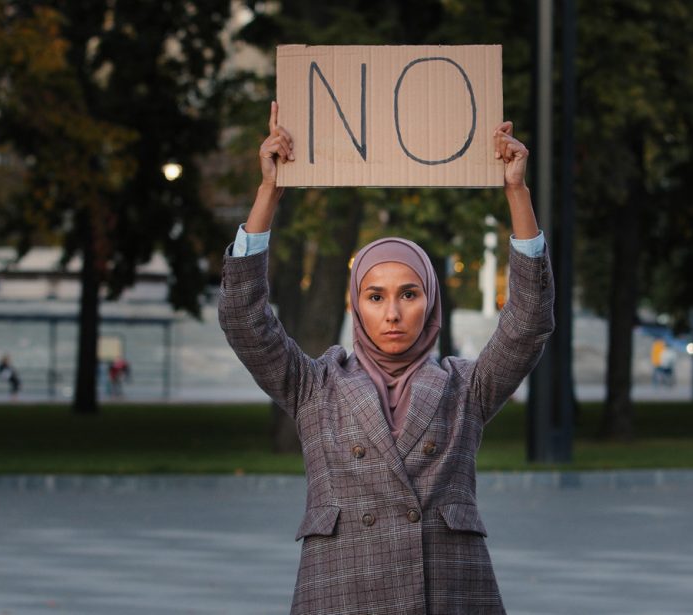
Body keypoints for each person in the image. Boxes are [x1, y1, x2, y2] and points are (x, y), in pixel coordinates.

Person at [219, 102, 554, 614]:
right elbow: (245, 321)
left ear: (431, 302)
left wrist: (517, 192)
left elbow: (528, 322)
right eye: (375, 296)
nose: (392, 313)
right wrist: (269, 193)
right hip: (342, 594)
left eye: (409, 294)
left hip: (448, 596)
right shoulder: (316, 388)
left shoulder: (465, 389)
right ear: (355, 304)